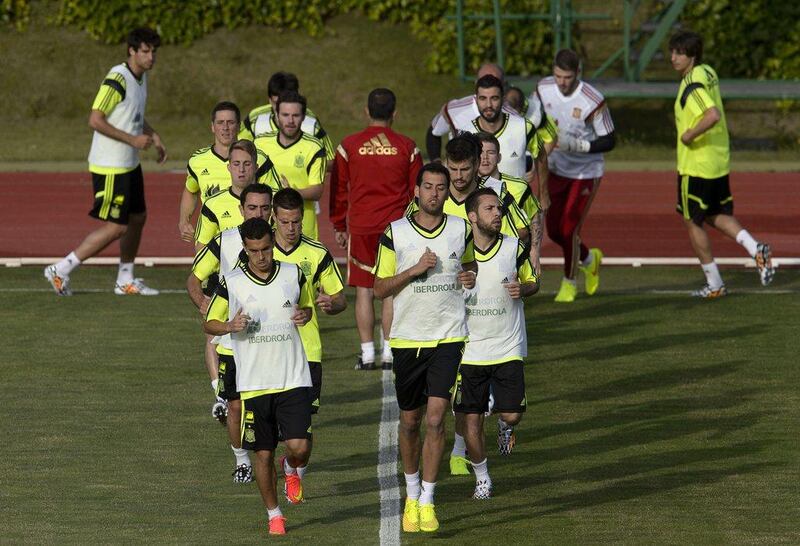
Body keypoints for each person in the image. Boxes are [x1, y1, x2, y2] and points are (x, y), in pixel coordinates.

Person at [373, 163, 477, 533]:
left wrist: (469, 276)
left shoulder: (461, 228)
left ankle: (428, 501)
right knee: (410, 421)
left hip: (448, 337)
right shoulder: (395, 233)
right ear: (416, 191)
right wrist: (414, 270)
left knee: (436, 418)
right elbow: (380, 288)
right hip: (407, 339)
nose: (434, 193)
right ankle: (411, 493)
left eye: (440, 188)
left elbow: (469, 266)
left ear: (448, 192)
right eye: (428, 187)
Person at [205, 217, 314, 536]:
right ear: (246, 250)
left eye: (266, 249)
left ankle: (292, 468)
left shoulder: (293, 274)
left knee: (300, 447)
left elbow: (306, 307)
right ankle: (274, 514)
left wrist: (306, 314)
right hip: (254, 384)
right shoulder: (232, 282)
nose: (262, 256)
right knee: (262, 453)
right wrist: (229, 326)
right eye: (255, 251)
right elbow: (209, 323)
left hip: (292, 377)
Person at [45, 27, 166, 296]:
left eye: (154, 52)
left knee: (138, 217)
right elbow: (95, 119)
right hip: (110, 166)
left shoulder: (140, 78)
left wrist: (153, 135)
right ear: (132, 51)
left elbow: (133, 115)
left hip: (129, 164)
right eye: (145, 51)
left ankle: (125, 279)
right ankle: (61, 268)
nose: (151, 57)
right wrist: (133, 140)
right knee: (116, 227)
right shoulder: (117, 79)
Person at [669, 31, 775, 296]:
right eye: (672, 52)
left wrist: (689, 134)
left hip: (696, 165)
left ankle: (714, 283)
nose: (674, 58)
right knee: (715, 213)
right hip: (717, 160)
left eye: (680, 53)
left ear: (692, 57)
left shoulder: (691, 85)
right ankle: (755, 249)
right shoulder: (707, 71)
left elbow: (712, 114)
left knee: (693, 221)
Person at [330, 88, 422, 370]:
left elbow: (338, 190)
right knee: (391, 290)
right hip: (395, 229)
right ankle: (390, 352)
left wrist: (338, 223)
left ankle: (368, 353)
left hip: (361, 226)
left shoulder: (348, 146)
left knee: (364, 290)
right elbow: (415, 191)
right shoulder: (408, 147)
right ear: (395, 113)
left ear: (367, 112)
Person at [455, 187, 539, 499]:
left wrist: (524, 289)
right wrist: (456, 282)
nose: (498, 214)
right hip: (471, 350)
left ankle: (506, 427)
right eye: (490, 209)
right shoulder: (457, 254)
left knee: (513, 413)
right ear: (473, 216)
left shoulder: (514, 248)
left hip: (508, 346)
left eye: (499, 209)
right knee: (471, 422)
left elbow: (533, 281)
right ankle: (482, 479)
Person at [187, 184, 273, 483]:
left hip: (271, 340)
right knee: (235, 405)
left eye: (264, 208)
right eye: (252, 208)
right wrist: (204, 306)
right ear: (241, 210)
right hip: (234, 339)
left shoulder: (283, 244)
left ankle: (277, 461)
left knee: (268, 405)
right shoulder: (223, 241)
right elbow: (194, 279)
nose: (258, 213)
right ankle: (242, 461)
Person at [271, 188, 347, 489]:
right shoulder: (260, 252)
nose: (292, 229)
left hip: (307, 352)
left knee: (302, 431)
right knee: (269, 430)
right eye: (286, 222)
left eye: (297, 222)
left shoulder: (317, 253)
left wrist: (331, 304)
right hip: (268, 353)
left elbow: (341, 299)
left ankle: (293, 471)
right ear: (273, 218)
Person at [531, 49, 616, 303]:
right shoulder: (543, 89)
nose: (562, 82)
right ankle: (590, 259)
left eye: (567, 77)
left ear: (578, 73)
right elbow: (532, 120)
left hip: (585, 171)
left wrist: (580, 146)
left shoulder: (592, 99)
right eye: (558, 75)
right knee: (554, 231)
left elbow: (610, 139)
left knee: (569, 229)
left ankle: (569, 282)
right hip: (555, 168)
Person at [254, 91, 326, 240]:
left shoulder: (314, 147)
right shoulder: (260, 144)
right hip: (265, 229)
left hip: (303, 230)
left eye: (296, 115)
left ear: (304, 116)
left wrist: (289, 193)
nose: (290, 120)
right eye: (285, 115)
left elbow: (317, 190)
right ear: (277, 115)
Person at [475, 132, 543, 272]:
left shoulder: (519, 187)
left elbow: (535, 216)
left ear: (499, 157)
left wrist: (535, 252)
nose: (485, 158)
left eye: (491, 153)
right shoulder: (465, 189)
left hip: (512, 261)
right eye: (480, 153)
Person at [426, 63, 517, 162]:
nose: (489, 86)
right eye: (484, 81)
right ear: (476, 83)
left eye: (495, 82)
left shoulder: (514, 117)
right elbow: (434, 132)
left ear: (503, 85)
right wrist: (436, 163)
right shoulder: (453, 110)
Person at [178, 101, 241, 243]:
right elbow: (190, 191)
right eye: (220, 123)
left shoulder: (257, 159)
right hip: (210, 240)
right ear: (212, 127)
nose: (225, 128)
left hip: (247, 239)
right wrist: (183, 221)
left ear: (239, 126)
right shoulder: (198, 161)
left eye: (230, 122)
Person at [239, 71, 334, 162]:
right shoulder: (255, 119)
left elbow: (330, 161)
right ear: (269, 100)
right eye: (277, 103)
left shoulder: (311, 123)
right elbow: (237, 151)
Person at [195, 140, 258, 247]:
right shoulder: (212, 204)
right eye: (236, 164)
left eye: (247, 164)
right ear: (229, 167)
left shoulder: (273, 200)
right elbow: (201, 249)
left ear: (256, 167)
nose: (241, 169)